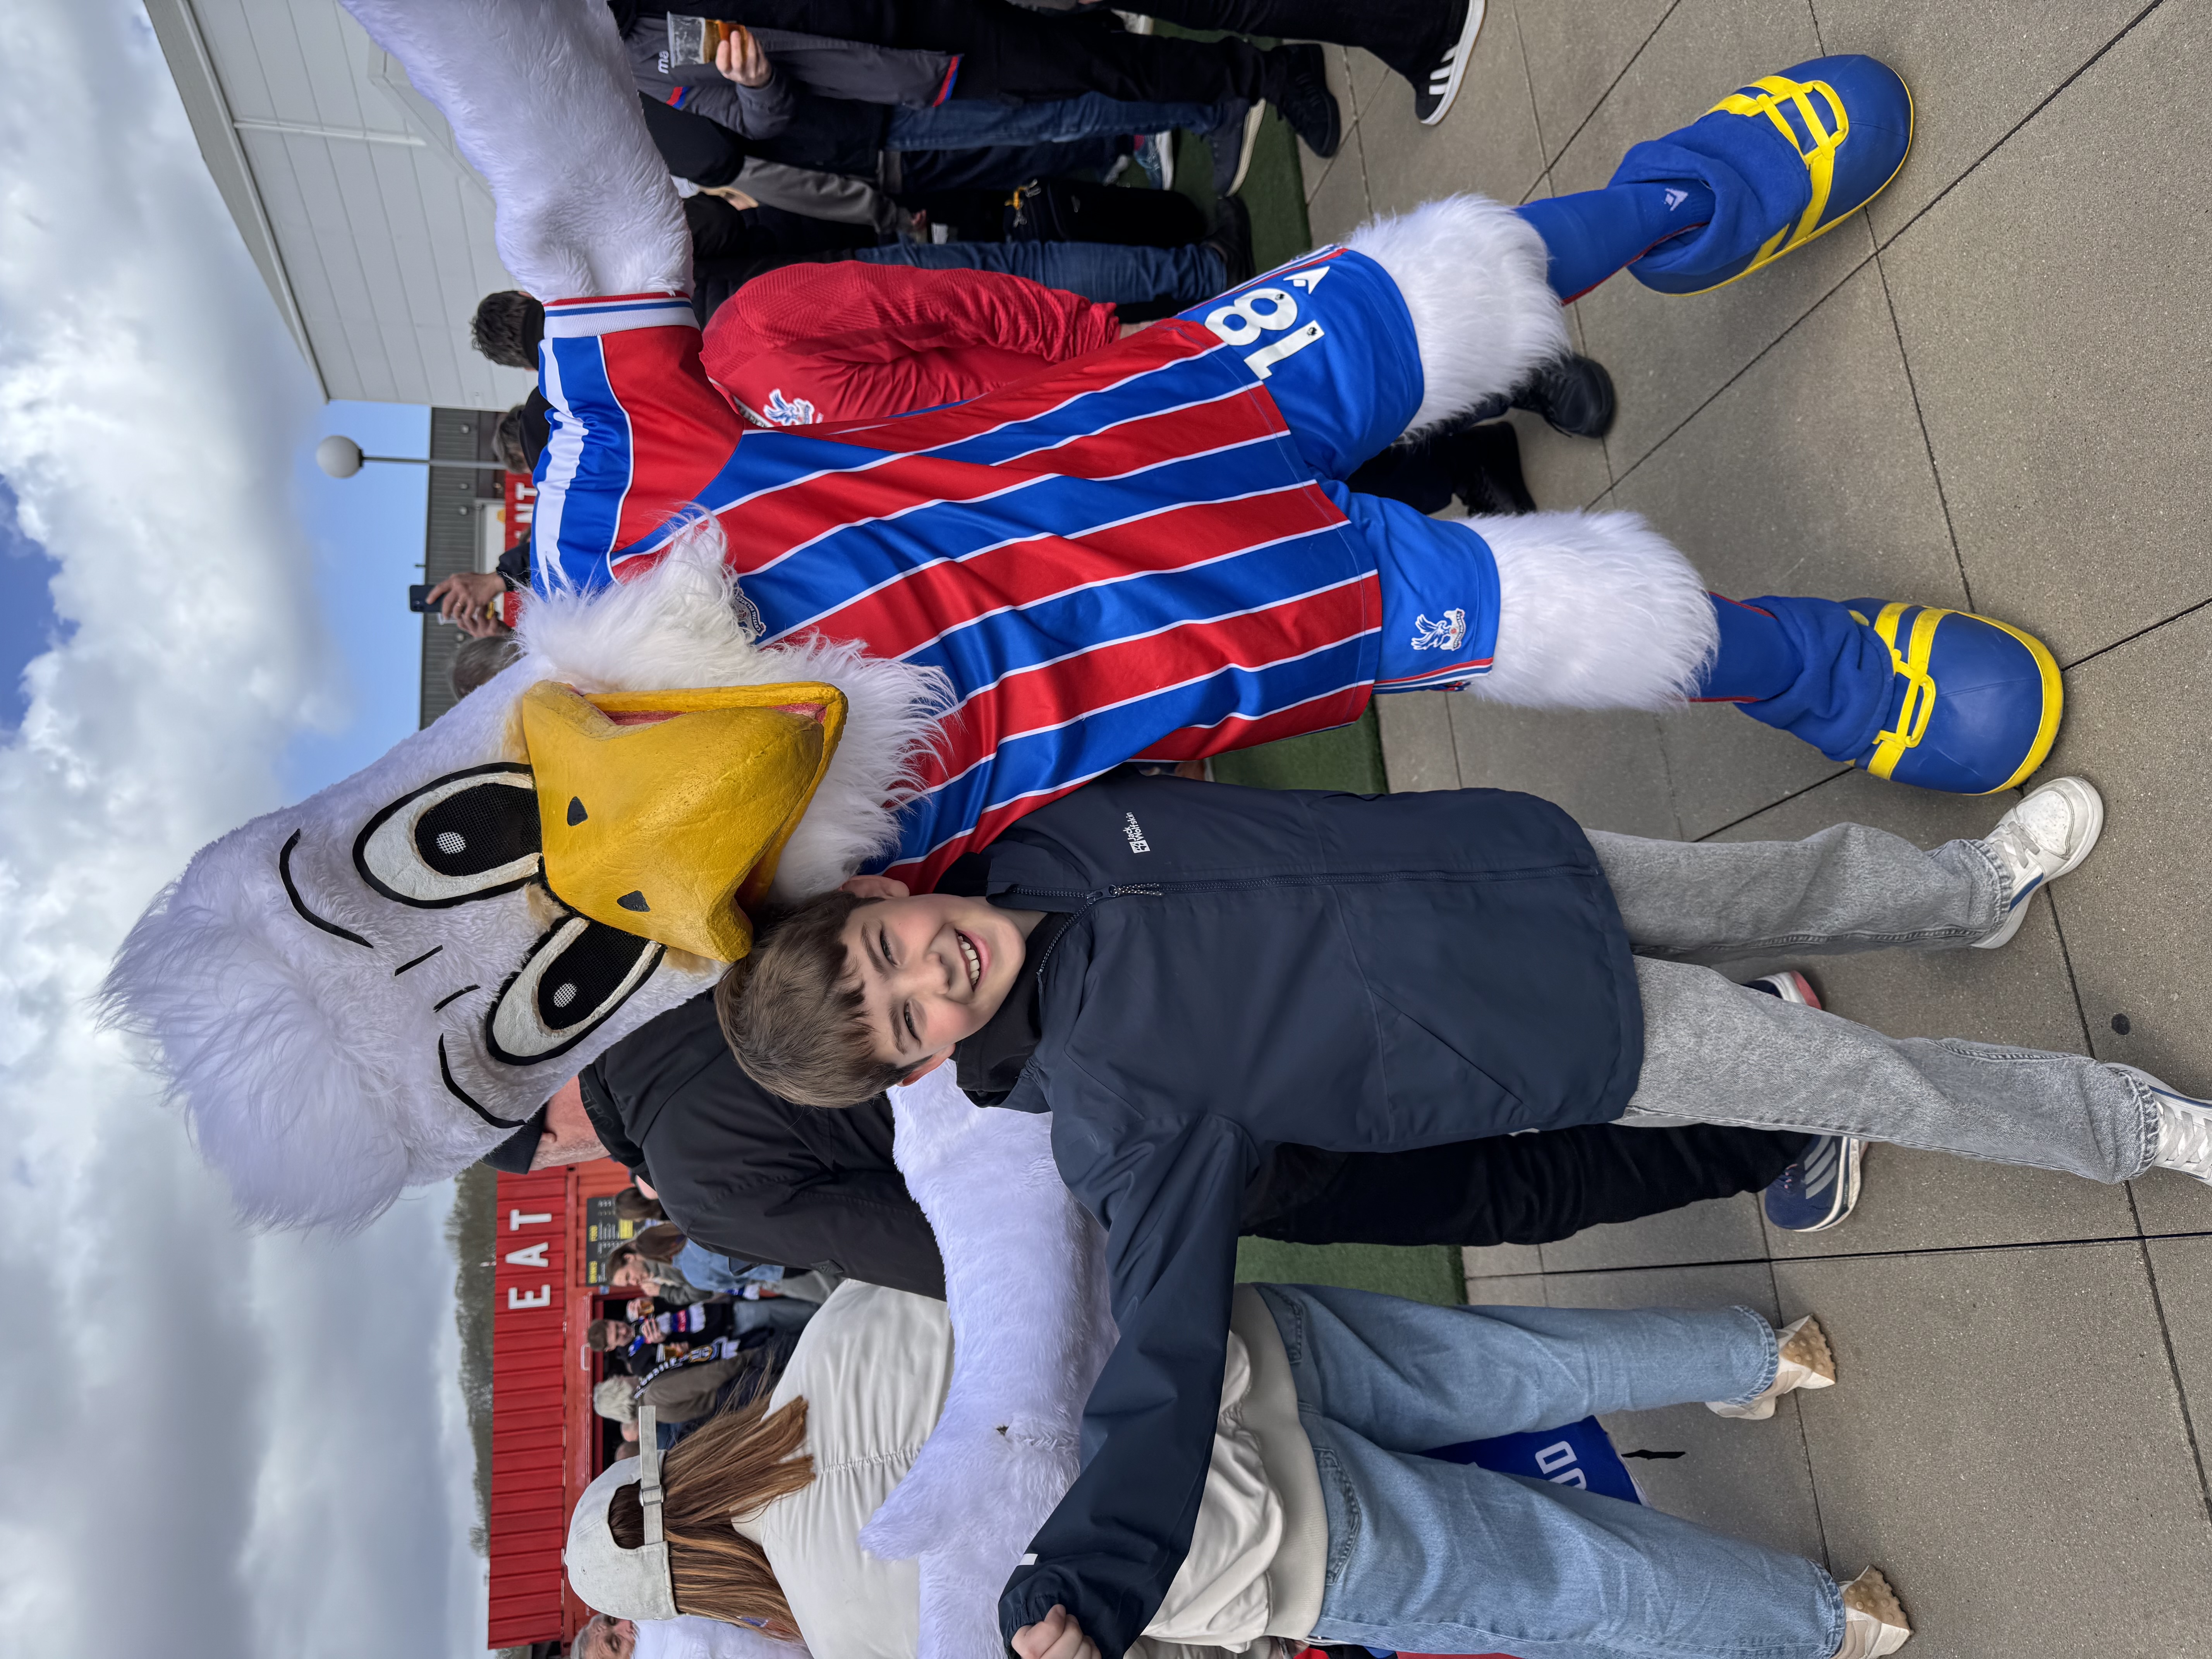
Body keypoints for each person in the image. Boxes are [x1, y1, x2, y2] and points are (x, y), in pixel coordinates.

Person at [105, 0, 2056, 1229]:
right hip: (1274, 629)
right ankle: (1823, 674)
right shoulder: (790, 943)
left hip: (1170, 405)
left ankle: (1698, 195)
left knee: (1486, 274)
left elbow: (601, 231)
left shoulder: (612, 543)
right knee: (1581, 627)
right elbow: (954, 1119)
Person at [717, 768, 2212, 1659]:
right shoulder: (1112, 1102)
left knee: (1782, 885)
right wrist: (1094, 1578)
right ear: (923, 1066)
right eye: (904, 1022)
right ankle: (2131, 1126)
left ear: (879, 897)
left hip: (1520, 865)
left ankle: (1968, 892)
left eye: (887, 957)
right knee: (1868, 1077)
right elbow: (1159, 1352)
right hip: (1564, 1034)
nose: (932, 980)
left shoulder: (1040, 841)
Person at [564, 1279, 1913, 1659]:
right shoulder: (841, 1334)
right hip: (1215, 1354)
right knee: (1504, 1360)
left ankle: (1825, 1618)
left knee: (1564, 1583)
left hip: (1246, 1544)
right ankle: (1760, 1350)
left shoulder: (852, 1622)